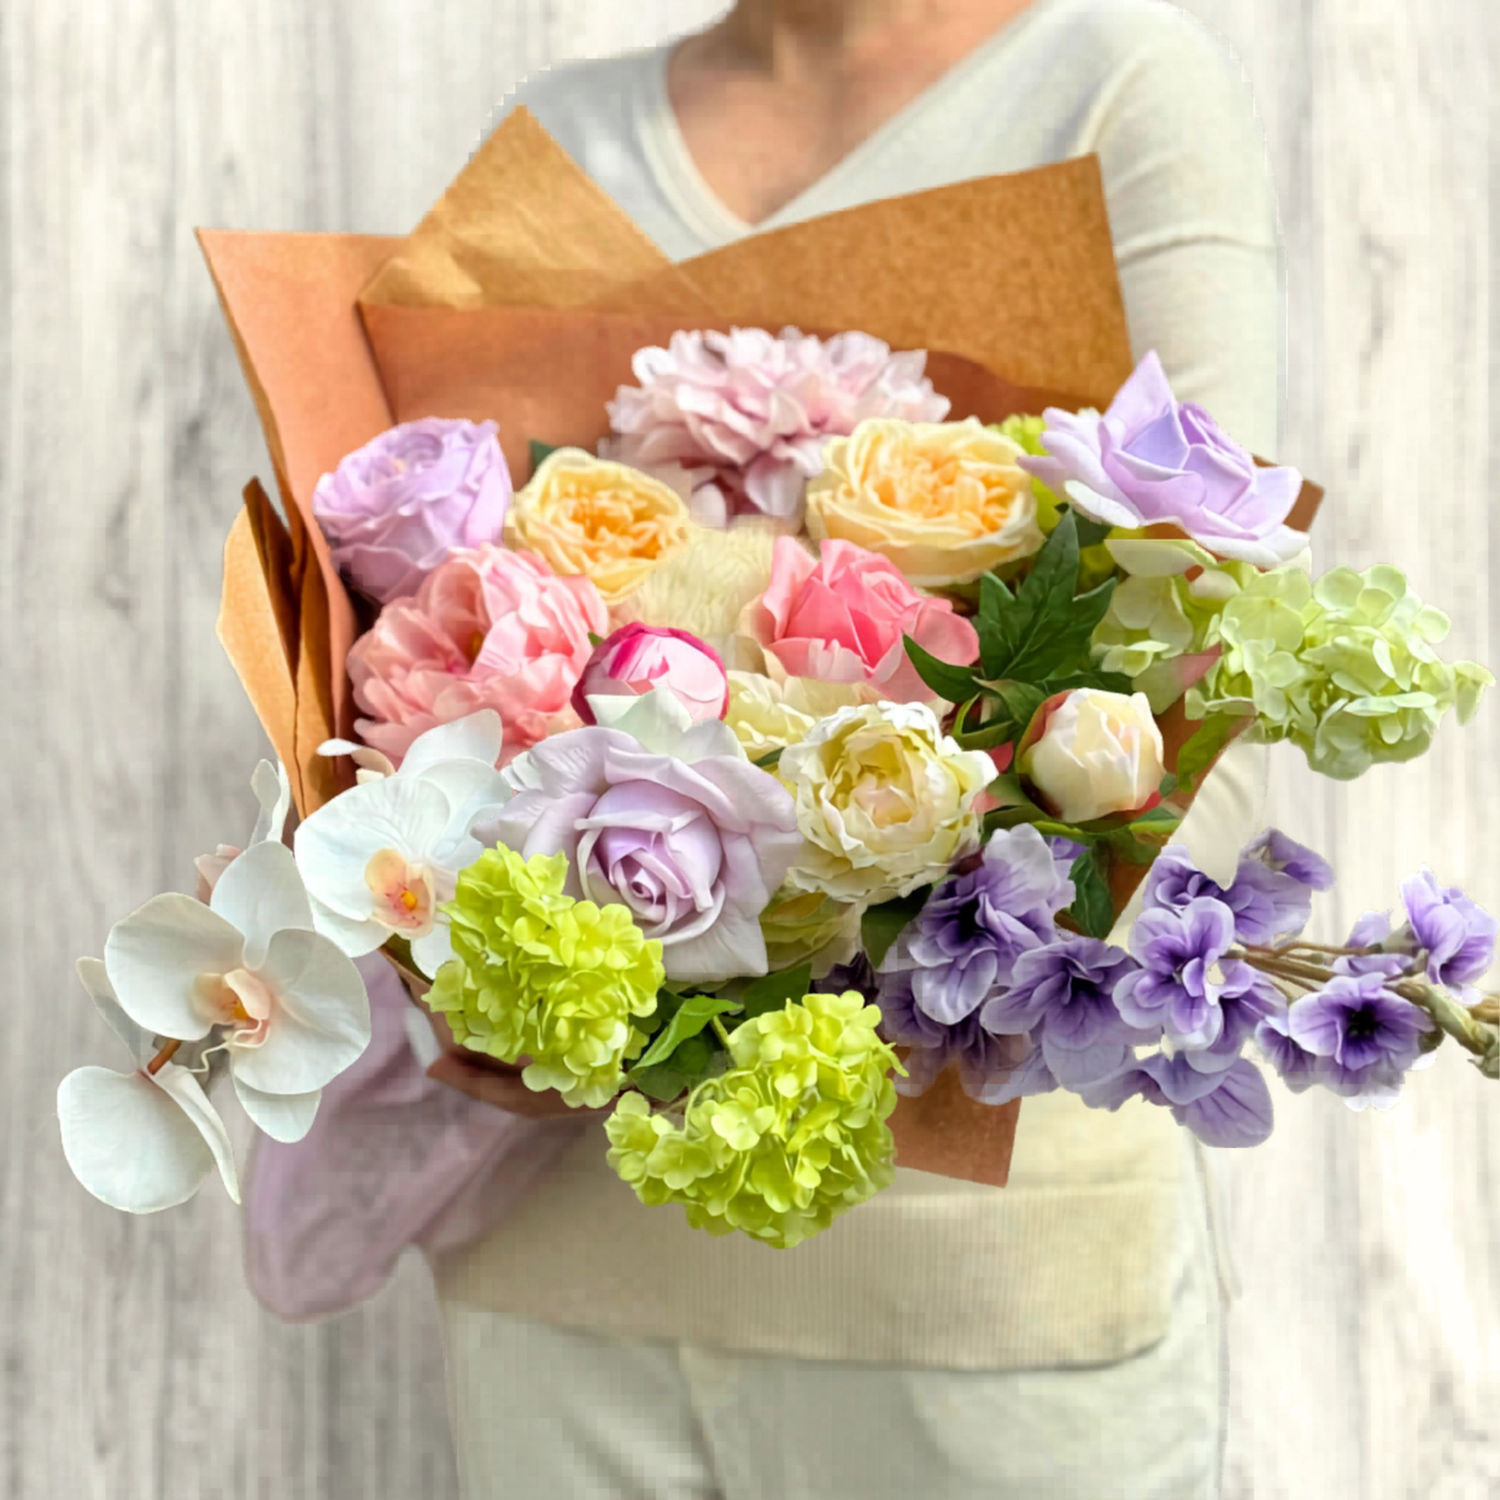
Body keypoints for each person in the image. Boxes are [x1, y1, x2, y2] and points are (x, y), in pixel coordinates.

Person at [430, 1, 1285, 1495]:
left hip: (986, 1288)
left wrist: (844, 926)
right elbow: (428, 634)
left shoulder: (1118, 83)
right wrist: (439, 931)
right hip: (566, 1264)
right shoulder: (563, 135)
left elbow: (1224, 662)